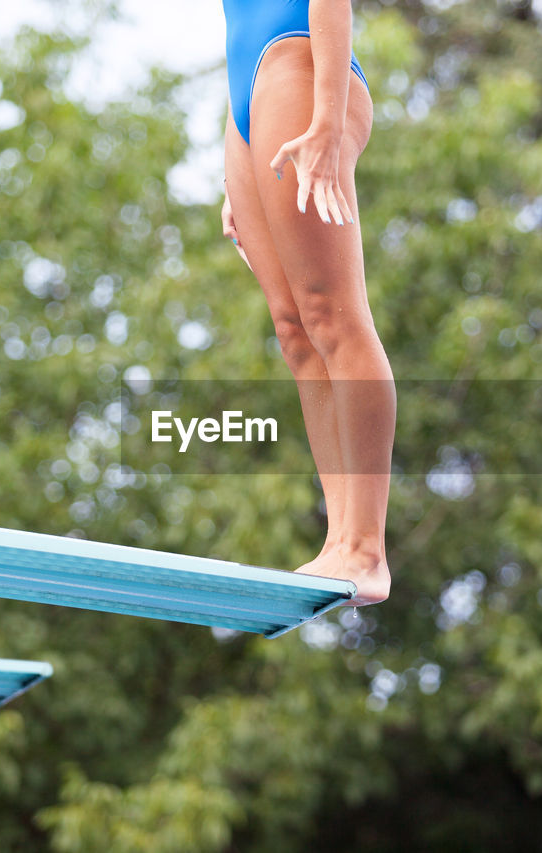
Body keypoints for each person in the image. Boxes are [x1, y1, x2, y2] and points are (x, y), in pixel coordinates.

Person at [219, 0, 394, 606]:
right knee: (295, 332)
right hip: (252, 91)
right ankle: (339, 541)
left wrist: (327, 117)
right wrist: (235, 159)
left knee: (333, 316)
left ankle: (367, 549)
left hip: (304, 68)